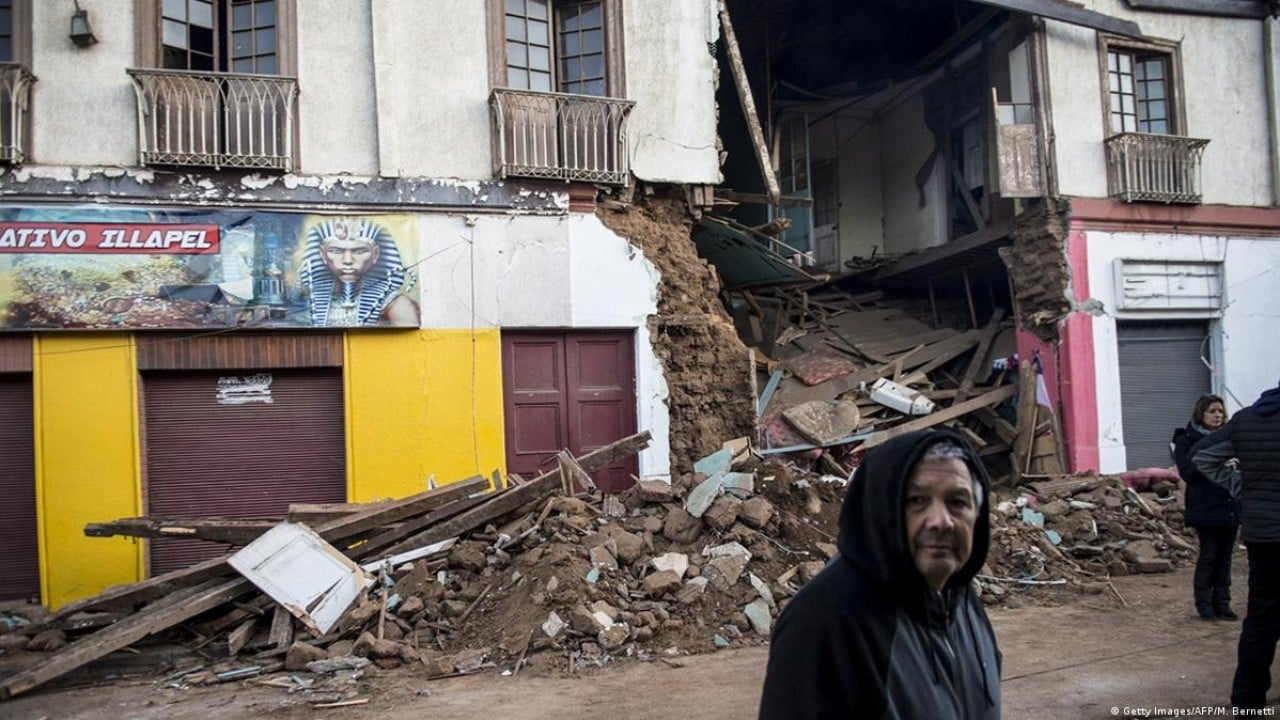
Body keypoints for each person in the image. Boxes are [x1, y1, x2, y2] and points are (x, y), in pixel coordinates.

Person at [757, 429, 1001, 720]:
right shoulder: (825, 620)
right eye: (916, 501)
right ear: (883, 510)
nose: (941, 522)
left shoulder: (959, 601)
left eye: (958, 502)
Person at [1192, 381, 1280, 711]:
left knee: (1260, 619)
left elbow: (1201, 457)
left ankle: (1247, 700)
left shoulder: (1245, 420)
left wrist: (1244, 488)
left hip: (1262, 537)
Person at [1172, 394, 1239, 620]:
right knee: (1209, 555)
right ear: (1201, 413)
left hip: (1229, 506)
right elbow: (1187, 473)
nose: (1218, 416)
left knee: (1226, 557)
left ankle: (1223, 603)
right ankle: (1205, 605)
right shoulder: (1186, 440)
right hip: (1204, 508)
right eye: (1212, 411)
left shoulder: (1229, 438)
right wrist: (1214, 464)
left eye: (1220, 411)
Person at [298, 217, 419, 326]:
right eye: (336, 251)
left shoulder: (396, 304)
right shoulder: (308, 303)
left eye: (360, 251)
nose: (348, 260)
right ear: (323, 254)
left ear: (375, 254)